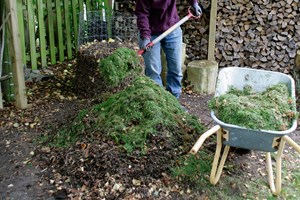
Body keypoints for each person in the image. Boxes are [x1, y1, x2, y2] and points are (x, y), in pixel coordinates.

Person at [135, 0, 202, 99]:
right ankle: (159, 102)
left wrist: (194, 3)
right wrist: (145, 37)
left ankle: (173, 102)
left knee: (176, 69)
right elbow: (142, 14)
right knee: (153, 71)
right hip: (150, 32)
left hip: (172, 28)